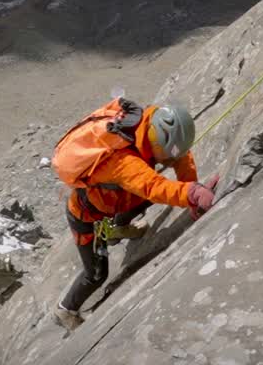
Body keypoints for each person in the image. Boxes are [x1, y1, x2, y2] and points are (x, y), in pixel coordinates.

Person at [51, 98, 219, 331]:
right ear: (158, 143)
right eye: (167, 156)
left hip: (113, 202)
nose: (170, 162)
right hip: (85, 217)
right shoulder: (122, 161)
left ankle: (117, 230)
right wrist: (191, 193)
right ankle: (65, 310)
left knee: (145, 197)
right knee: (97, 274)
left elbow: (181, 157)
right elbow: (153, 186)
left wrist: (190, 185)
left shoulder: (150, 122)